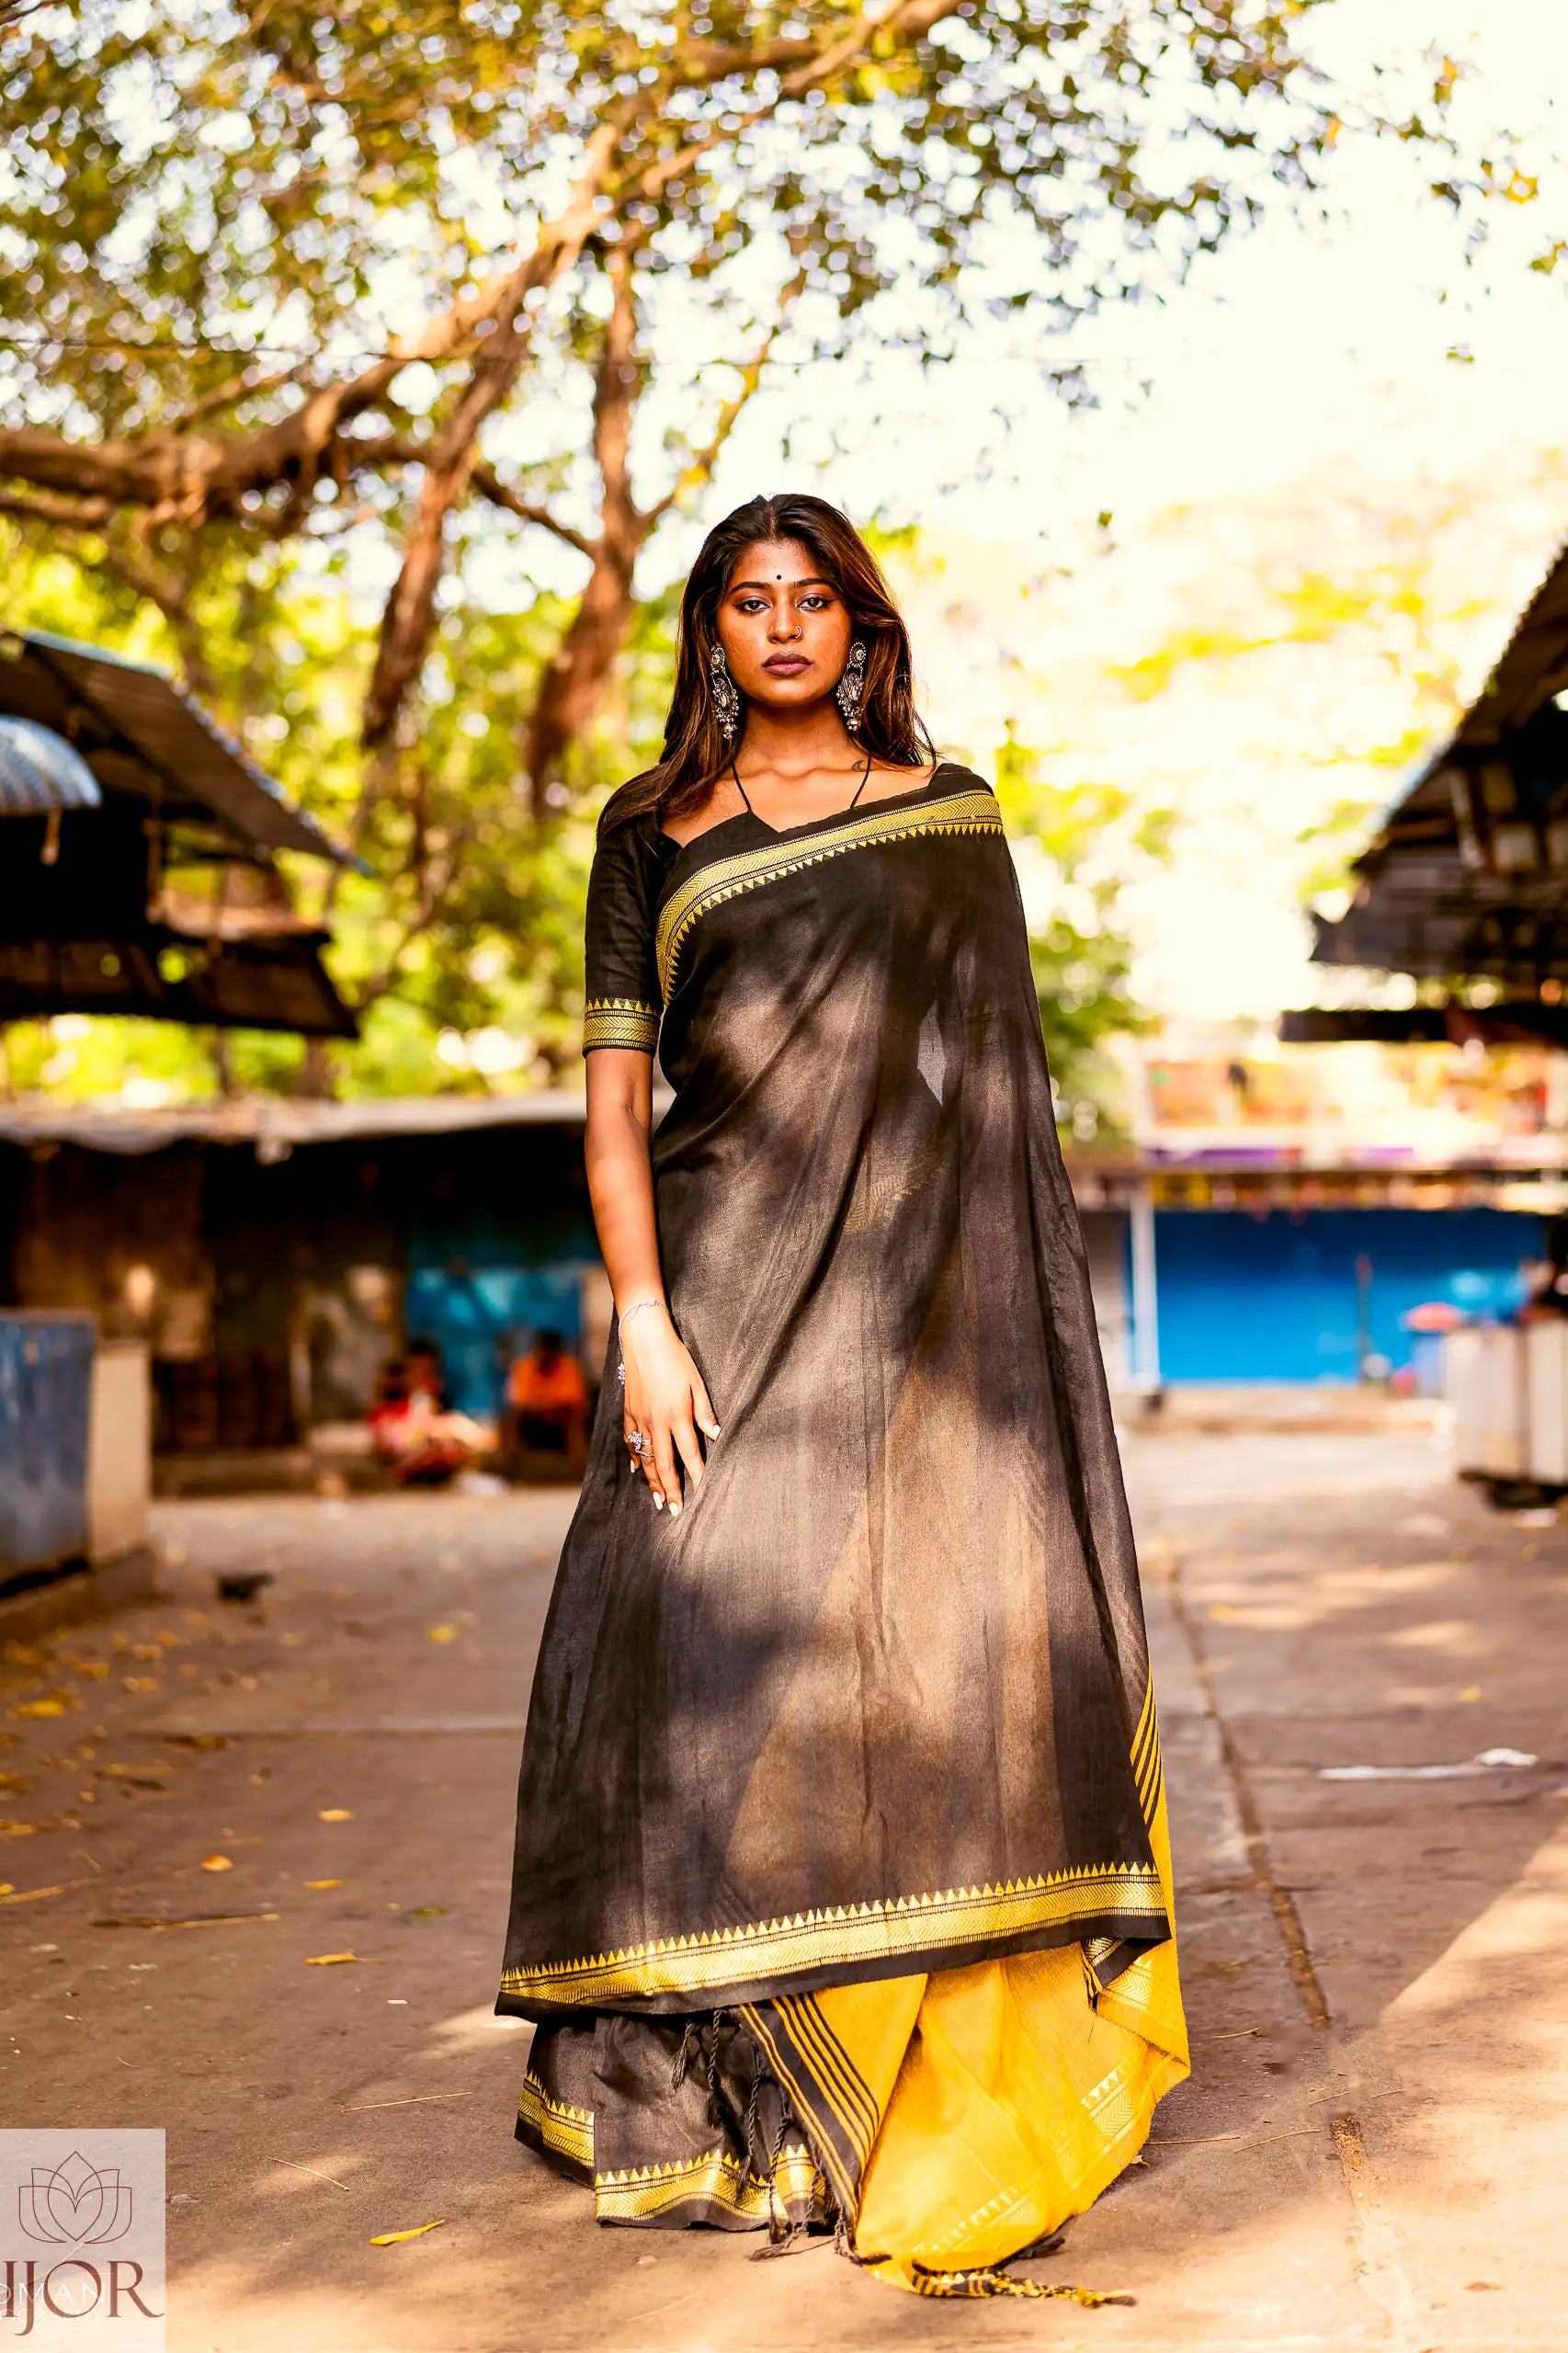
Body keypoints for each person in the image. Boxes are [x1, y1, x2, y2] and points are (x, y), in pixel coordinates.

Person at [496, 494, 1187, 2299]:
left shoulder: (949, 825)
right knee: (674, 1662)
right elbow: (613, 1111)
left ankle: (888, 2099)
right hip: (712, 1306)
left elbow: (993, 1119)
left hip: (906, 1322)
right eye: (749, 600)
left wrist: (985, 1364)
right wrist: (640, 1317)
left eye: (814, 598)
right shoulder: (647, 833)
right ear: (710, 633)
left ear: (859, 626)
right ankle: (723, 2101)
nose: (783, 625)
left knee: (913, 1666)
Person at [368, 1339, 485, 1487]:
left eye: (429, 1372)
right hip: (407, 1458)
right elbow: (394, 1442)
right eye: (418, 1371)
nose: (425, 1378)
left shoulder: (427, 1399)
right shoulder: (387, 1411)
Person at [506, 1329, 590, 1470]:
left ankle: (580, 1468)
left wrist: (541, 1404)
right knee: (510, 1419)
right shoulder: (524, 1366)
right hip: (532, 1421)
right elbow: (519, 1403)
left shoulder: (569, 1367)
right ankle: (508, 1469)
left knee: (576, 1417)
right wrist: (545, 1405)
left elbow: (572, 1402)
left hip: (560, 1422)